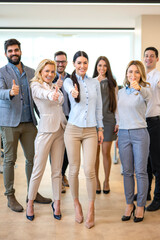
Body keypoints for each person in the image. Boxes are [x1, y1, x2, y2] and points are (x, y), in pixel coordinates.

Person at [0, 38, 52, 213]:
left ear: (20, 51)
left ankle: (33, 193)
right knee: (9, 160)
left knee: (33, 159)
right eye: (10, 51)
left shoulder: (31, 72)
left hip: (30, 122)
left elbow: (38, 95)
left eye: (16, 50)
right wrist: (9, 92)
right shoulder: (2, 72)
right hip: (9, 123)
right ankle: (10, 196)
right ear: (6, 53)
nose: (13, 53)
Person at [63, 51, 104, 229]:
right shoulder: (68, 80)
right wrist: (73, 90)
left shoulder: (94, 82)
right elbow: (68, 89)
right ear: (74, 63)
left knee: (89, 170)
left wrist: (100, 128)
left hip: (90, 130)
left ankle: (91, 208)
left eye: (85, 62)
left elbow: (99, 107)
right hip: (72, 130)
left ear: (88, 64)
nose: (82, 65)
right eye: (79, 62)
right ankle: (76, 203)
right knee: (73, 169)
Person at [26, 59, 67, 221]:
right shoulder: (35, 85)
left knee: (57, 171)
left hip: (60, 131)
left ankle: (57, 204)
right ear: (41, 72)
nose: (50, 74)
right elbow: (45, 95)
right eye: (47, 71)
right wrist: (53, 93)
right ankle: (30, 203)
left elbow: (61, 100)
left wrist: (56, 91)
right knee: (38, 169)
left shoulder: (53, 85)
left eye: (52, 71)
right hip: (45, 131)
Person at [117, 60, 151, 222]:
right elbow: (117, 112)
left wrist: (140, 89)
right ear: (126, 74)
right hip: (123, 134)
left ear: (141, 74)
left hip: (140, 134)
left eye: (136, 72)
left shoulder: (145, 89)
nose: (133, 75)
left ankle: (140, 205)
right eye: (130, 72)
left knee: (141, 172)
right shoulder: (121, 92)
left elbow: (148, 96)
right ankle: (129, 204)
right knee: (127, 172)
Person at [93, 56, 118, 194]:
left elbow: (116, 105)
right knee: (95, 154)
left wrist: (118, 122)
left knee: (105, 152)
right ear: (96, 67)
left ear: (107, 68)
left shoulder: (112, 83)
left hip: (108, 120)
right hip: (94, 122)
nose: (102, 68)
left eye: (104, 66)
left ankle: (106, 180)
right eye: (99, 65)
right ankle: (96, 181)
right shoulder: (91, 82)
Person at [143, 47, 160, 211]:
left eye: (152, 56)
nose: (149, 58)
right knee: (145, 162)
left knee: (156, 163)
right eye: (146, 56)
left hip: (155, 122)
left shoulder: (158, 76)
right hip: (142, 122)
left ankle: (158, 198)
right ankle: (145, 193)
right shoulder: (141, 76)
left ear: (157, 59)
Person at [53, 51, 70, 193]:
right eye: (58, 61)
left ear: (67, 63)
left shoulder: (71, 78)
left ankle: (62, 173)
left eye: (63, 61)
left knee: (68, 151)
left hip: (70, 118)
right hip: (54, 119)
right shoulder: (48, 78)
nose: (60, 64)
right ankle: (58, 179)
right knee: (56, 151)